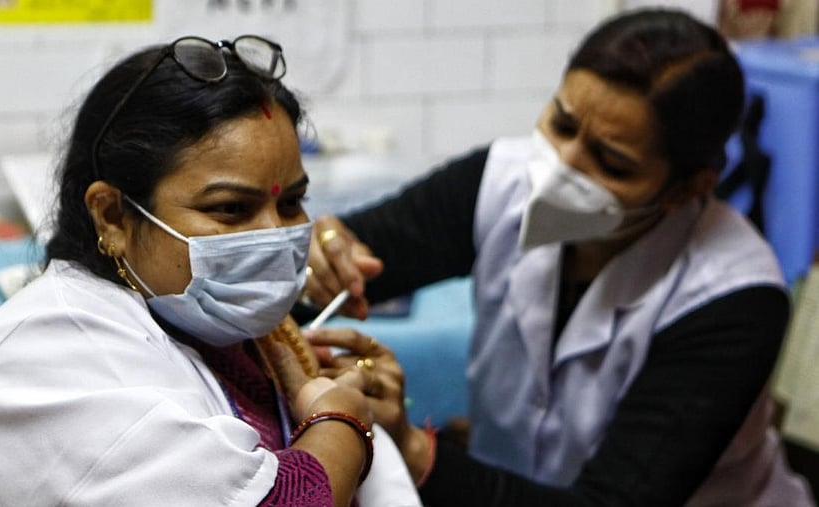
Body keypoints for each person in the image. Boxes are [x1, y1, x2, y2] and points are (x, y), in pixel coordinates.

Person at [301, 8, 816, 506]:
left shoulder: (734, 299)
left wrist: (414, 449)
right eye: (562, 125)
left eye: (611, 163)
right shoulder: (498, 181)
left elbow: (613, 501)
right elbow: (343, 265)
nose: (561, 169)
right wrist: (318, 262)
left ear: (689, 187)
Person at [0, 35, 420, 507]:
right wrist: (342, 421)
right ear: (113, 216)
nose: (273, 234)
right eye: (229, 209)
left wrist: (375, 415)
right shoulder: (43, 359)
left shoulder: (245, 342)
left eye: (291, 202)